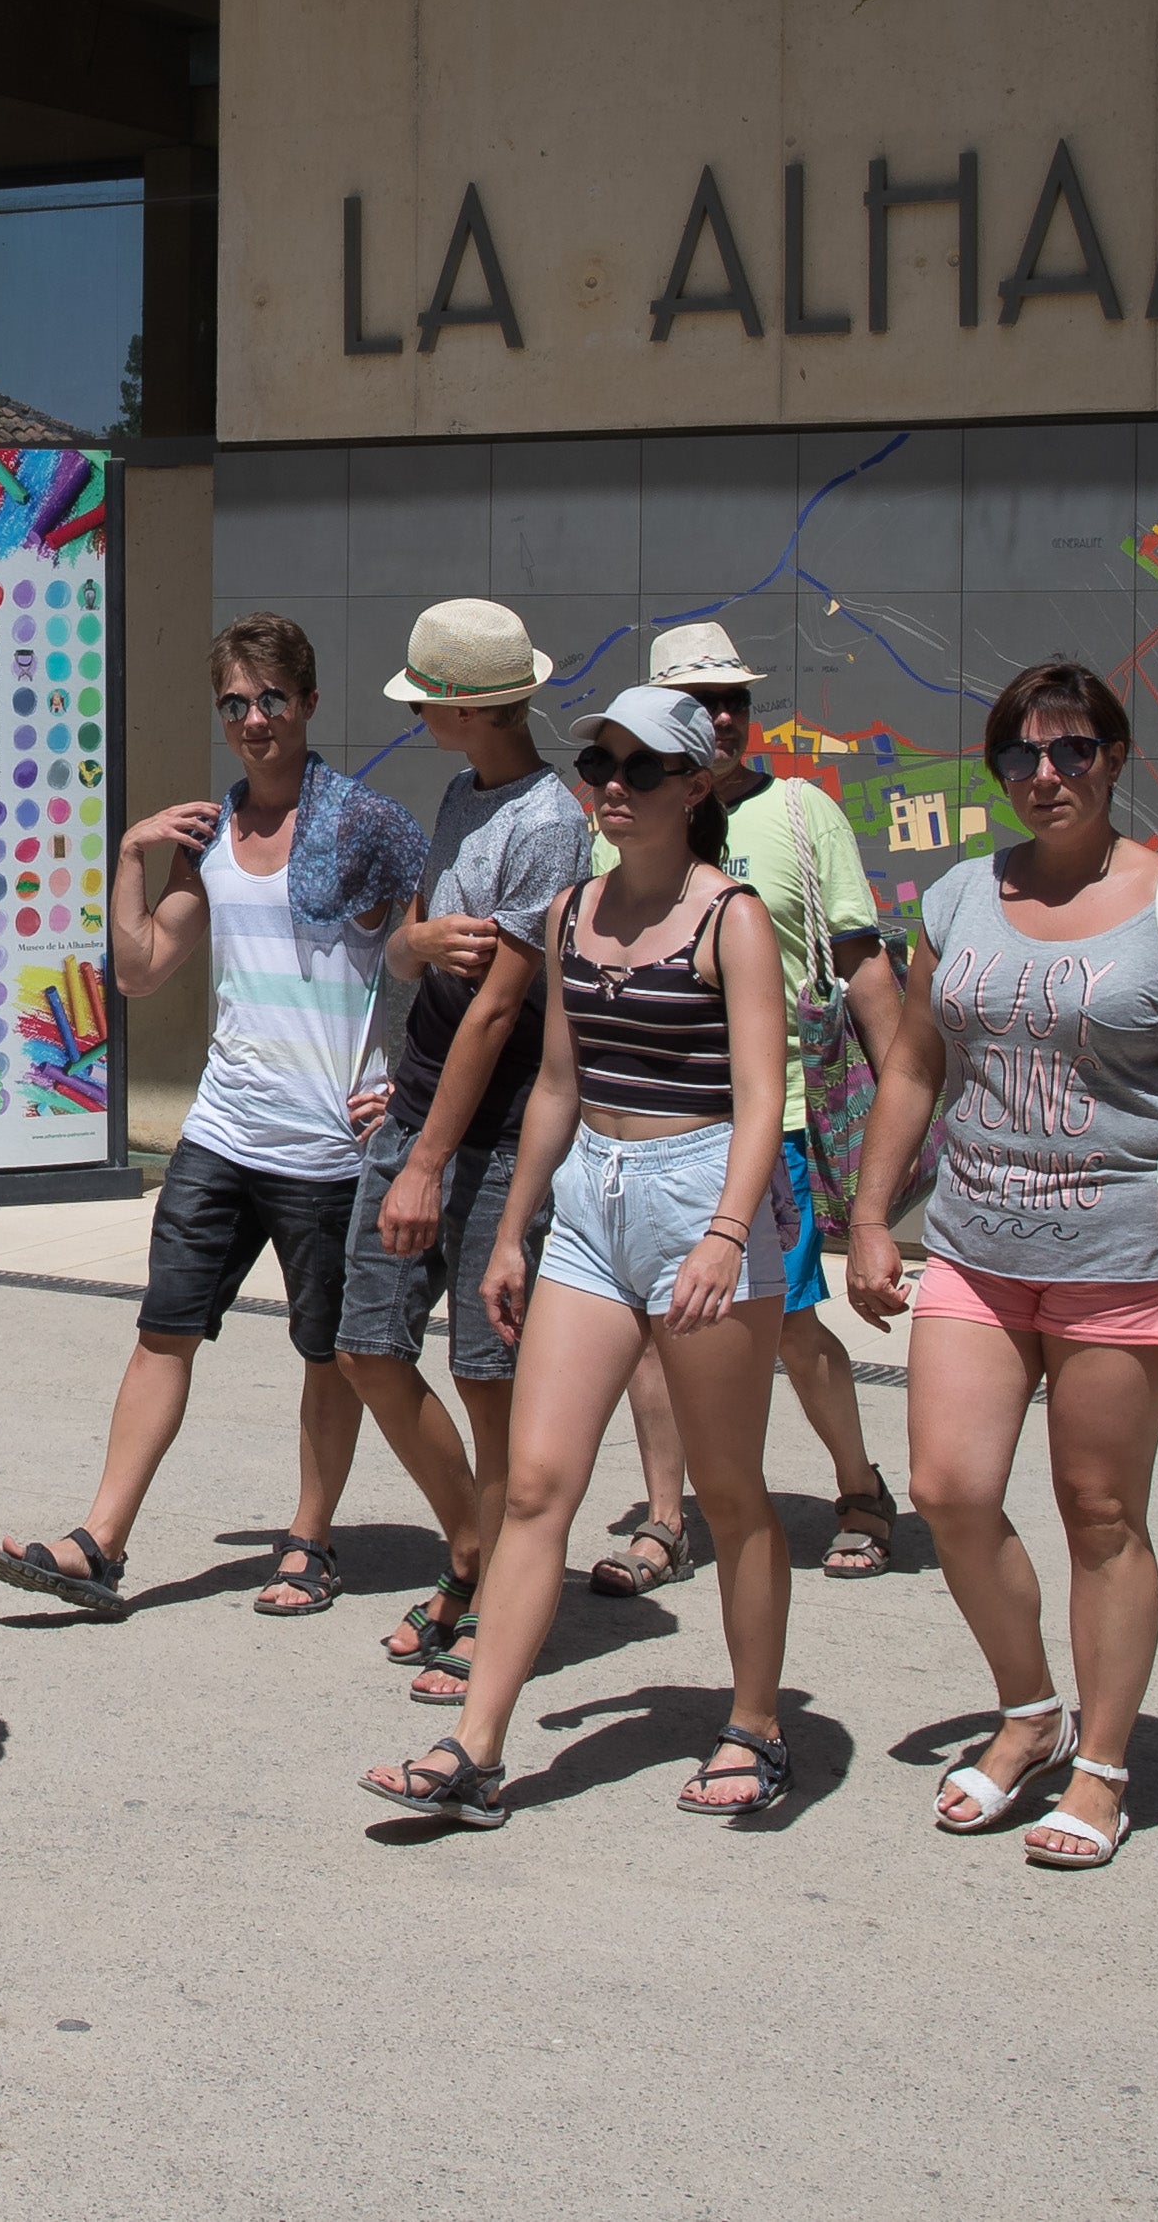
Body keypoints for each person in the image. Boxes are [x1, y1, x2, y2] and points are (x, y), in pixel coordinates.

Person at [845, 662, 1158, 1871]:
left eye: (1072, 751)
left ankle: (1103, 1766)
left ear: (1115, 758)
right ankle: (1029, 1710)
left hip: (1121, 1258)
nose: (1045, 775)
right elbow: (916, 1064)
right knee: (950, 1490)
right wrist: (872, 1216)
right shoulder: (965, 894)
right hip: (975, 1243)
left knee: (1098, 1513)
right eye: (1022, 756)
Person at [358, 686, 798, 1824]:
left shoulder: (729, 917)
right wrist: (512, 1231)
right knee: (541, 1486)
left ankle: (754, 1724)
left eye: (640, 768)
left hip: (701, 1194)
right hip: (592, 1207)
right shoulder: (569, 912)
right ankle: (476, 1749)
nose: (610, 784)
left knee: (732, 1493)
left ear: (694, 786)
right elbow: (557, 1082)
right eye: (599, 761)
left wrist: (727, 1234)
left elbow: (761, 1101)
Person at [0, 614, 420, 1619]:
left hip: (327, 1146)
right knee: (162, 1329)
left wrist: (406, 1084)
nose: (254, 720)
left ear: (308, 704)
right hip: (222, 1133)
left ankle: (310, 1542)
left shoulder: (366, 826)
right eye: (235, 703)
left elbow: (431, 953)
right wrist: (133, 852)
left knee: (328, 1353)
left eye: (271, 699)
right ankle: (99, 1542)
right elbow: (137, 972)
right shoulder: (210, 835)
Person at [591, 622, 910, 1594]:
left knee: (792, 1326)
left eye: (735, 699)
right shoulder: (617, 823)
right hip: (647, 1128)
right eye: (701, 702)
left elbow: (857, 963)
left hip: (767, 1132)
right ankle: (661, 1519)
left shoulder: (801, 814)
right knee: (655, 1323)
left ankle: (858, 1489)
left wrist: (908, 1101)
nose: (724, 718)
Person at [337, 599, 598, 1703]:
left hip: (484, 1135)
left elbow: (503, 1008)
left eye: (427, 698)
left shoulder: (550, 819)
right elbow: (409, 950)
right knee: (365, 1344)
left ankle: (497, 1604)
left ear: (460, 708)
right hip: (419, 1109)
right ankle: (473, 1550)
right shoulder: (457, 795)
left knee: (486, 1377)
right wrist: (415, 943)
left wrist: (428, 1161)